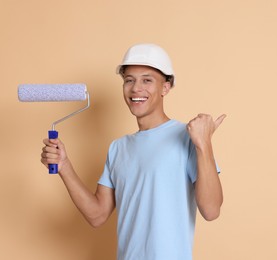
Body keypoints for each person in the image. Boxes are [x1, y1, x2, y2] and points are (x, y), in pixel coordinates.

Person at [41, 43, 225, 260]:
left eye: (147, 80)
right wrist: (64, 166)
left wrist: (204, 144)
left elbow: (211, 210)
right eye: (129, 80)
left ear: (165, 87)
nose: (136, 88)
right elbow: (97, 215)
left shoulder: (187, 137)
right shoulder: (118, 148)